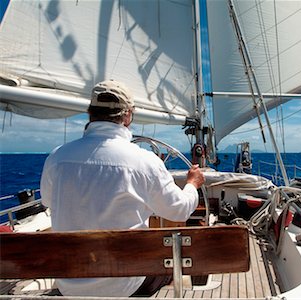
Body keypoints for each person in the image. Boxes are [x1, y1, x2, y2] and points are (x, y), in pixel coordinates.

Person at [40, 79, 205, 297]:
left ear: (90, 112)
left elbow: (48, 202)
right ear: (127, 115)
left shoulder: (57, 157)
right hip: (127, 285)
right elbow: (179, 210)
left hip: (68, 283)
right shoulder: (144, 161)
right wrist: (192, 183)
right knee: (166, 262)